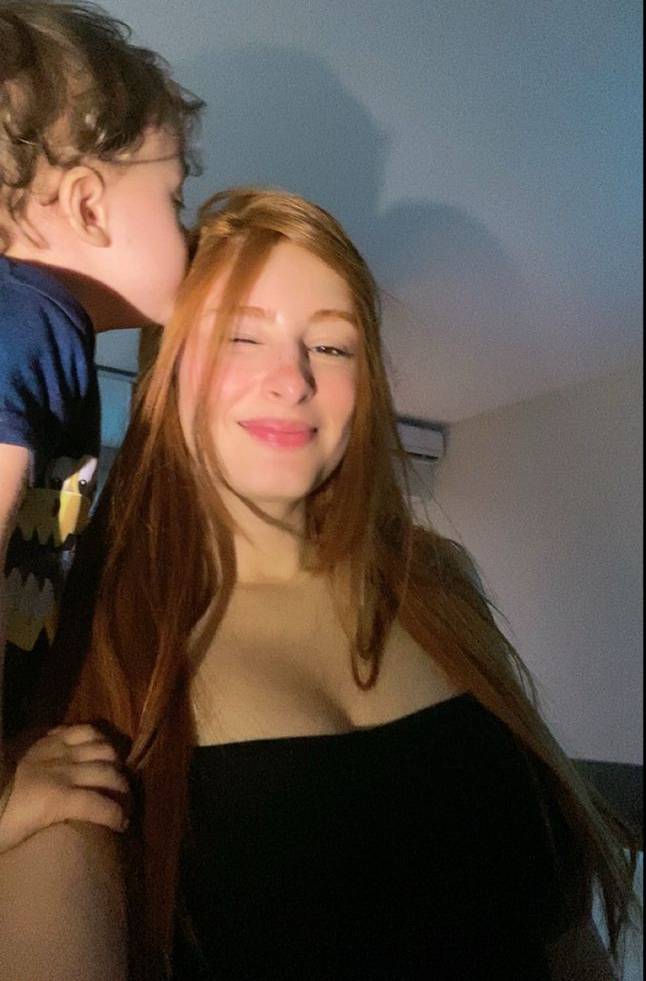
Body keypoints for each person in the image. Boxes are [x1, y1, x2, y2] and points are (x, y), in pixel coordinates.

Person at [32, 187, 636, 980]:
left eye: (331, 345)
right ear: (164, 371)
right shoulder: (90, 637)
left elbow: (563, 930)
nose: (292, 380)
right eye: (240, 335)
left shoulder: (441, 583)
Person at [0, 0, 203, 853]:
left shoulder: (44, 332)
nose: (188, 231)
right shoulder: (30, 321)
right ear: (88, 206)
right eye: (174, 199)